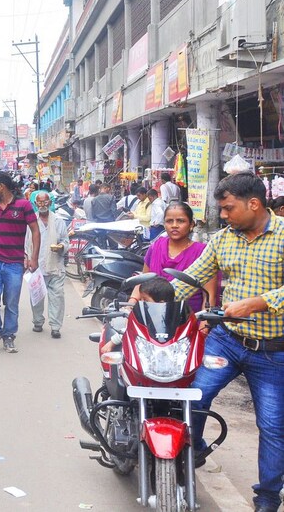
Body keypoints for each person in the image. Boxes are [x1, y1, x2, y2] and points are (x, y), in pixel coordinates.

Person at [170, 173, 284, 512]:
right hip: (225, 341)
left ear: (254, 204)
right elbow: (191, 279)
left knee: (273, 427)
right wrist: (153, 302)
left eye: (228, 208)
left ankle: (266, 499)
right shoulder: (222, 239)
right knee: (194, 397)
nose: (223, 215)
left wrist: (258, 302)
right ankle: (194, 452)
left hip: (273, 351)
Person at [0, 171, 40, 353]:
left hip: (15, 262)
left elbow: (35, 231)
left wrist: (34, 258)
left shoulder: (24, 206)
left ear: (2, 187)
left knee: (12, 302)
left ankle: (9, 335)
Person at [131, 201, 217, 314]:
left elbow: (209, 296)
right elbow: (143, 281)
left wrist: (203, 326)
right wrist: (131, 304)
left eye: (180, 221)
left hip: (189, 319)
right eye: (169, 221)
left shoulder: (203, 252)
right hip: (153, 316)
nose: (174, 225)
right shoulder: (156, 246)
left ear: (191, 225)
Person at [26, 191, 69, 338]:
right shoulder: (31, 221)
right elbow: (26, 243)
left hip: (55, 265)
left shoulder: (58, 221)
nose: (42, 205)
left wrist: (62, 246)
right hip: (37, 265)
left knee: (57, 296)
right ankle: (38, 322)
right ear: (36, 204)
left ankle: (55, 327)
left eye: (45, 202)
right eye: (40, 203)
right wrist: (28, 259)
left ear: (50, 203)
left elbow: (65, 240)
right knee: (36, 296)